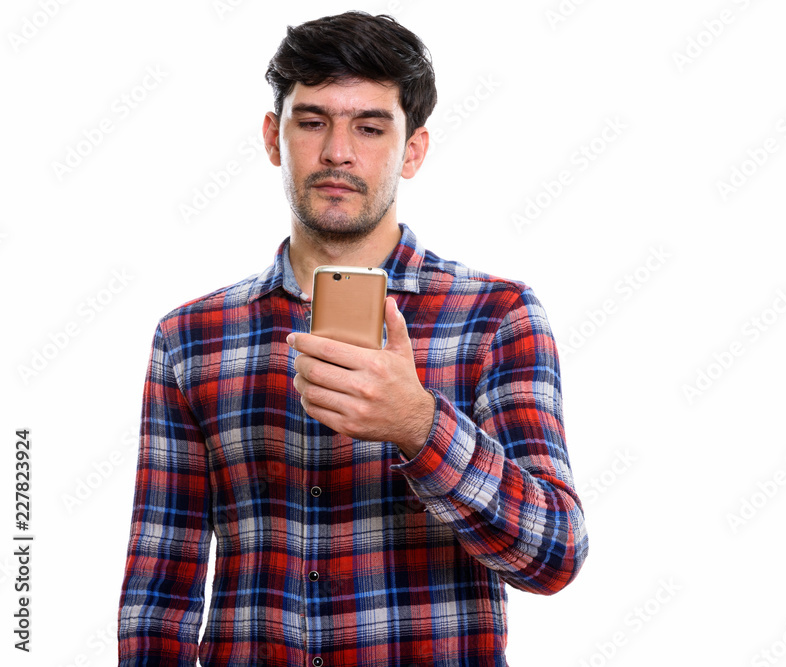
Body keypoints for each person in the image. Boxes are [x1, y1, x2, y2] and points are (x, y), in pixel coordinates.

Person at [117, 11, 587, 667]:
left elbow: (554, 555)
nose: (339, 150)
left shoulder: (497, 316)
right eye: (312, 122)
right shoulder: (191, 337)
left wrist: (420, 425)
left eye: (370, 127)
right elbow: (159, 593)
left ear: (413, 150)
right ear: (273, 138)